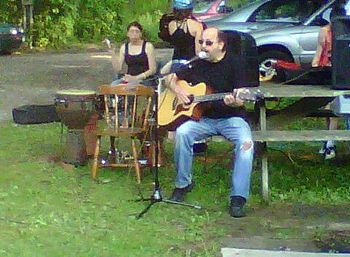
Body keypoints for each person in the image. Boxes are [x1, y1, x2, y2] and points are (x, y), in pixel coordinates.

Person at [167, 27, 255, 218]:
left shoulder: (235, 63)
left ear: (221, 45)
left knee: (246, 143)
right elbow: (170, 79)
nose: (203, 47)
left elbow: (241, 98)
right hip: (203, 118)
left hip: (232, 118)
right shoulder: (198, 62)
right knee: (182, 133)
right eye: (201, 42)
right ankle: (183, 184)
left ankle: (238, 197)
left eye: (208, 43)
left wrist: (235, 101)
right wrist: (179, 91)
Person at [312, 4, 347, 160]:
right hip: (329, 74)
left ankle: (329, 143)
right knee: (330, 109)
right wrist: (316, 67)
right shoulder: (324, 32)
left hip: (344, 75)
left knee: (335, 108)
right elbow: (319, 54)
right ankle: (328, 142)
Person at [168, 0, 204, 67]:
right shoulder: (197, 25)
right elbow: (198, 51)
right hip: (190, 62)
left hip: (175, 62)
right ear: (190, 10)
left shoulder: (171, 25)